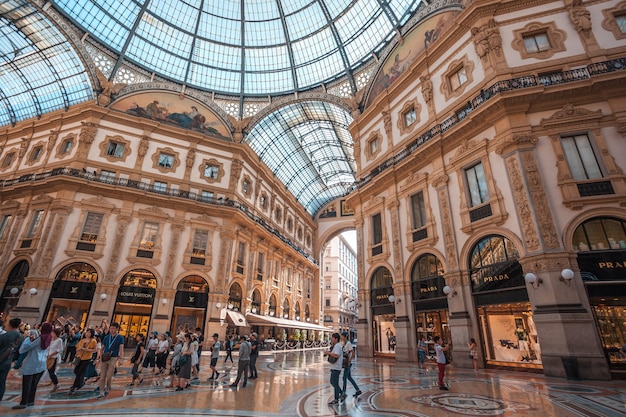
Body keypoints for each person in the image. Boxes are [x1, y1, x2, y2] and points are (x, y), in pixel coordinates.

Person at [13, 323, 51, 409]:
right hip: (41, 363)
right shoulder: (49, 337)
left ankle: (23, 403)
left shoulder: (40, 338)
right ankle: (30, 400)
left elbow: (25, 348)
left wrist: (27, 339)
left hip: (32, 363)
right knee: (34, 383)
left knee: (27, 383)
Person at [97, 322, 124, 399]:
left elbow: (121, 348)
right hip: (105, 357)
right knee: (102, 376)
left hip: (113, 357)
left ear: (117, 329)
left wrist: (121, 358)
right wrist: (100, 357)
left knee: (109, 375)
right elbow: (102, 347)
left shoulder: (120, 338)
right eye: (111, 328)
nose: (112, 330)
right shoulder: (106, 338)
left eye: (113, 328)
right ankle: (101, 391)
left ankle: (108, 386)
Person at [0, 318, 23, 401]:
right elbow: (19, 351)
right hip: (8, 361)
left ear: (10, 325)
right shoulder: (21, 337)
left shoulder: (5, 336)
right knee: (2, 381)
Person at [69, 328, 97, 394]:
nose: (87, 334)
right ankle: (81, 382)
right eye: (87, 332)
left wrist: (87, 350)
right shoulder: (82, 340)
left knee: (79, 372)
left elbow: (95, 350)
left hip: (86, 358)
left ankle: (74, 386)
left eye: (89, 333)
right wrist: (79, 350)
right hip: (79, 357)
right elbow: (77, 347)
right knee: (76, 371)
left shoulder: (93, 341)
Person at [324, 333, 344, 405]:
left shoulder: (338, 346)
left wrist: (329, 353)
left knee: (334, 383)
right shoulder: (335, 346)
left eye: (332, 338)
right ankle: (341, 394)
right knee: (333, 382)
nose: (331, 339)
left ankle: (337, 398)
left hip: (336, 367)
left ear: (336, 339)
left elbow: (336, 355)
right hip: (334, 367)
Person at [340, 332, 361, 399]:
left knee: (344, 378)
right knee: (349, 377)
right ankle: (357, 390)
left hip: (347, 363)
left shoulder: (348, 343)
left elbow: (353, 352)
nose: (341, 337)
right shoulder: (345, 343)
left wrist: (350, 360)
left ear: (345, 336)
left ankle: (344, 392)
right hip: (346, 362)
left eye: (342, 336)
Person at [46, 327, 63, 392]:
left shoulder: (59, 340)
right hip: (48, 356)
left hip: (53, 357)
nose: (51, 334)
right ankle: (53, 382)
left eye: (52, 333)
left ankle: (56, 383)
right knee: (49, 370)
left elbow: (60, 349)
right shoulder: (51, 339)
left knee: (51, 371)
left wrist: (51, 354)